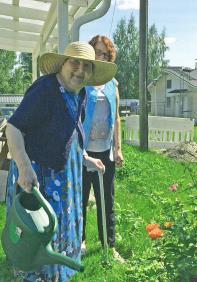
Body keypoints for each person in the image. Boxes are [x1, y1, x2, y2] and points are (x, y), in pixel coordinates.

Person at [5, 41, 117, 282]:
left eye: (86, 65)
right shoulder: (45, 89)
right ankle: (36, 274)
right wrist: (24, 167)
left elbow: (71, 133)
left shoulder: (82, 93)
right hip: (38, 172)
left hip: (66, 176)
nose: (80, 70)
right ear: (62, 64)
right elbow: (13, 128)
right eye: (75, 62)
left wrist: (84, 158)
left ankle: (57, 273)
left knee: (61, 225)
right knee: (40, 229)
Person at [82, 35, 124, 260]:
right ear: (90, 54)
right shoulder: (82, 80)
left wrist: (118, 148)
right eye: (98, 52)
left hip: (105, 152)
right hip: (84, 152)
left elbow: (116, 117)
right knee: (80, 199)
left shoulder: (112, 83)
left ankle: (109, 245)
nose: (102, 56)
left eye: (106, 54)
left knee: (106, 200)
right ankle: (80, 243)